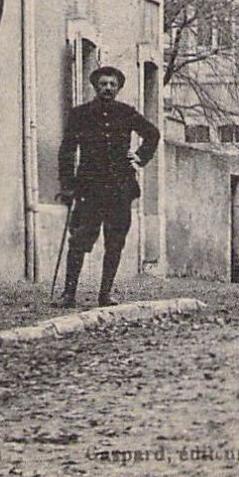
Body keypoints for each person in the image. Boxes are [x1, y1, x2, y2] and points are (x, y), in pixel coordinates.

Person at [55, 65, 160, 307]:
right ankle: (68, 294)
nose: (108, 89)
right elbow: (67, 150)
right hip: (89, 190)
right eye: (103, 84)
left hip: (120, 190)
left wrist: (140, 157)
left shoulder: (126, 113)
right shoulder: (80, 114)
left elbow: (153, 134)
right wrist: (68, 185)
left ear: (119, 88)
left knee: (115, 243)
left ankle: (105, 294)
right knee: (79, 240)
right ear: (95, 87)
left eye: (113, 85)